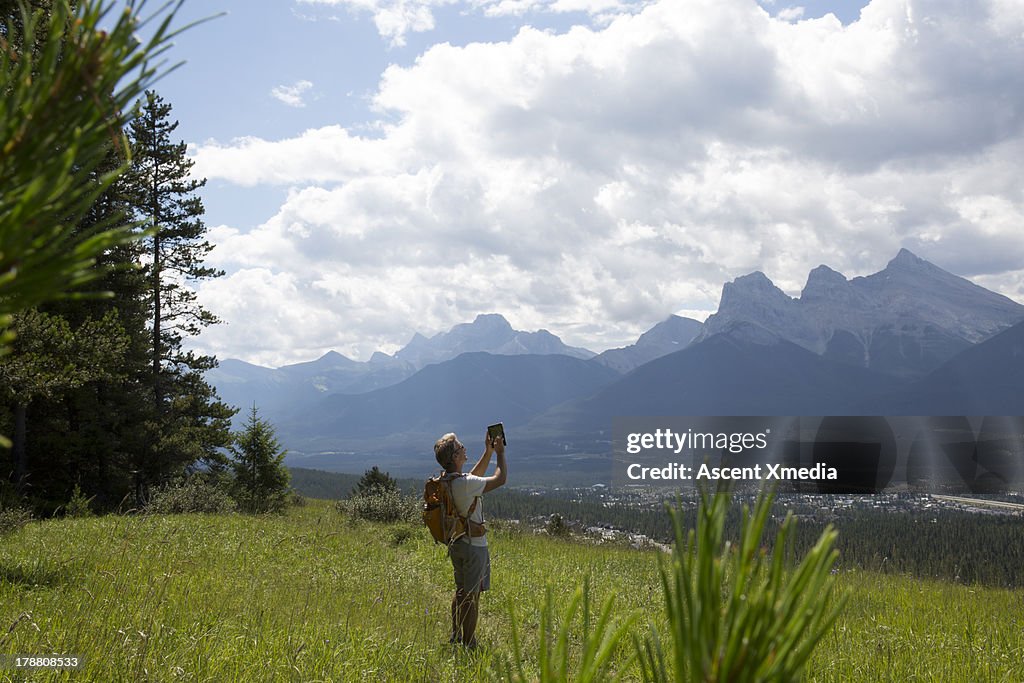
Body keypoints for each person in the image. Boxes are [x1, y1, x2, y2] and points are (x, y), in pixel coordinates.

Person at [433, 430, 507, 648]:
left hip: (458, 542)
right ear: (456, 457)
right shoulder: (465, 484)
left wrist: (488, 452)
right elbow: (500, 479)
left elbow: (473, 476)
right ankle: (469, 643)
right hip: (474, 547)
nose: (464, 448)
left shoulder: (449, 480)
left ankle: (457, 634)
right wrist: (500, 453)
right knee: (472, 596)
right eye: (460, 447)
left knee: (461, 590)